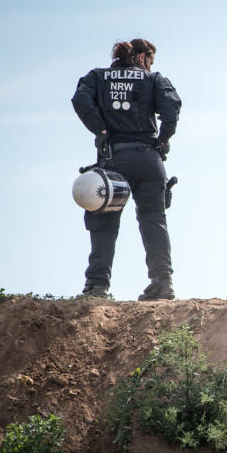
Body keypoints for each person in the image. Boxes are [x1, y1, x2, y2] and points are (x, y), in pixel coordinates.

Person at [71, 39, 181, 300]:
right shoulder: (153, 79)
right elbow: (172, 108)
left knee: (104, 222)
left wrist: (101, 130)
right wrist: (163, 140)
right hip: (148, 160)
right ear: (143, 57)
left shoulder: (98, 77)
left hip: (112, 160)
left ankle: (96, 286)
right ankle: (162, 282)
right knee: (153, 220)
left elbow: (80, 99)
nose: (151, 66)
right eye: (151, 61)